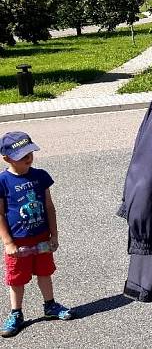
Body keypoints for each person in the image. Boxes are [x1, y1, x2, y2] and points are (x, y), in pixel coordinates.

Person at [0, 132, 72, 338]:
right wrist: (7, 242)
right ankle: (16, 313)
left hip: (41, 237)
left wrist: (54, 235)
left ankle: (50, 305)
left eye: (29, 152)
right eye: (21, 155)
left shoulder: (40, 176)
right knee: (16, 279)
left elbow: (49, 207)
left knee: (45, 272)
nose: (28, 157)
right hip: (18, 241)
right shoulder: (3, 181)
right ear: (6, 158)